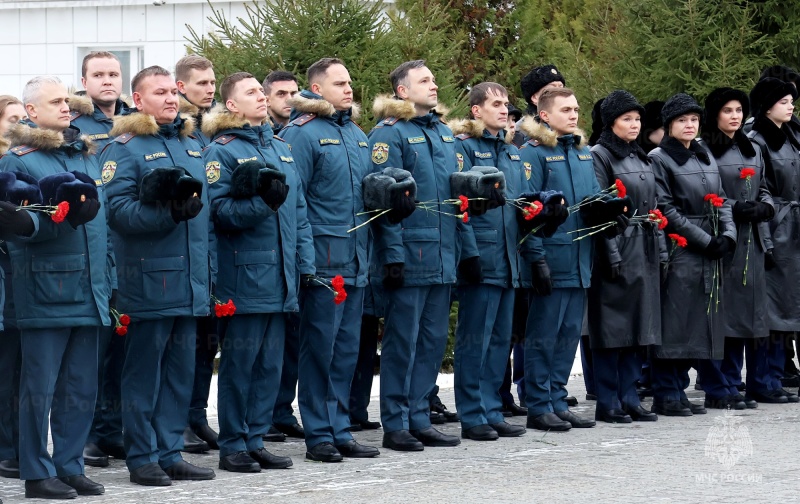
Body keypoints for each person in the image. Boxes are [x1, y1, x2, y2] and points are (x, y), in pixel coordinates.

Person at [100, 65, 214, 485]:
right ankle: (142, 456)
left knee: (180, 373)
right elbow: (117, 212)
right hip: (149, 281)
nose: (170, 99)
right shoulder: (124, 148)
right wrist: (167, 213)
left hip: (190, 282)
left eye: (172, 92)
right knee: (143, 375)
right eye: (160, 92)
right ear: (138, 98)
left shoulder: (191, 143)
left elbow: (207, 219)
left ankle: (170, 452)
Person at [0, 76, 109, 499]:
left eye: (67, 100)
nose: (67, 107)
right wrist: (54, 219)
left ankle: (70, 465)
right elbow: (17, 226)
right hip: (45, 290)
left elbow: (102, 229)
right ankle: (35, 471)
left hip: (89, 288)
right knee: (38, 388)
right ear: (31, 111)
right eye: (56, 101)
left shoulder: (86, 156)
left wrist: (110, 277)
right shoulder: (19, 161)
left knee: (80, 386)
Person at [202, 72, 313, 472]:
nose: (262, 97)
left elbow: (299, 215)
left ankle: (256, 438)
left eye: (260, 92)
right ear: (231, 105)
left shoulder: (282, 148)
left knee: (270, 364)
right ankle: (233, 444)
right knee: (240, 364)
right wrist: (262, 205)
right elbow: (218, 213)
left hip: (281, 275)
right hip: (244, 276)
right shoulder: (223, 151)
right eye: (251, 93)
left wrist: (306, 264)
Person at [367, 60, 469, 451]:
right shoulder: (389, 135)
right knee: (402, 341)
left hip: (442, 254)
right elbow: (383, 200)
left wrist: (466, 249)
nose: (434, 84)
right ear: (402, 91)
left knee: (431, 340)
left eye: (434, 78)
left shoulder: (445, 133)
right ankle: (395, 423)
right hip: (409, 256)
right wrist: (392, 255)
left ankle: (420, 416)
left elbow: (455, 198)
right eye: (424, 80)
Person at [280, 58, 378, 462]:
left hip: (355, 260)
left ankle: (340, 428)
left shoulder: (356, 132)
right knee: (319, 348)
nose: (349, 89)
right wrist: (305, 263)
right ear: (317, 90)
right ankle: (319, 433)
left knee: (346, 350)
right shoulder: (302, 134)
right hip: (323, 261)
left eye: (350, 82)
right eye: (340, 83)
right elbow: (293, 202)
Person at [518, 87, 625, 431]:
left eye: (576, 109)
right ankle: (538, 404)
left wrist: (611, 213)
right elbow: (528, 211)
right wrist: (537, 260)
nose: (574, 115)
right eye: (565, 109)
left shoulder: (581, 152)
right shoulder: (533, 154)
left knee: (566, 336)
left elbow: (592, 200)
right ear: (545, 115)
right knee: (543, 336)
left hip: (580, 260)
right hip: (552, 258)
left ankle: (557, 399)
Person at [649, 93, 736, 416]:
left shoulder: (704, 154)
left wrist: (728, 234)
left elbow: (723, 198)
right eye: (682, 120)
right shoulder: (659, 158)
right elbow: (665, 207)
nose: (689, 125)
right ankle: (666, 390)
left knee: (700, 318)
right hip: (681, 246)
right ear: (670, 125)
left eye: (694, 120)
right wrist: (703, 239)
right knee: (676, 318)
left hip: (710, 246)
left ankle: (681, 389)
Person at [449, 82, 527, 440]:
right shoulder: (463, 148)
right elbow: (459, 206)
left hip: (508, 256)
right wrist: (469, 254)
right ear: (476, 110)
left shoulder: (510, 152)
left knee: (499, 340)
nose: (503, 109)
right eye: (495, 104)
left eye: (506, 104)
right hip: (481, 254)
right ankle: (471, 412)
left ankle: (492, 407)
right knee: (474, 339)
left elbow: (517, 204)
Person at [69, 51, 131, 469]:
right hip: (96, 246)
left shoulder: (131, 122)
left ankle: (113, 428)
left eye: (114, 74)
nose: (108, 81)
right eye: (99, 75)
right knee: (95, 351)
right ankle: (90, 434)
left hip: (133, 251)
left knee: (122, 350)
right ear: (85, 81)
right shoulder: (77, 127)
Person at [588, 90, 661, 423]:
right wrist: (611, 253)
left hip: (643, 246)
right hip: (617, 244)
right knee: (612, 327)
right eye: (627, 119)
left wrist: (660, 250)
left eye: (637, 119)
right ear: (611, 122)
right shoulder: (600, 155)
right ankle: (608, 399)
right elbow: (600, 208)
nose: (635, 125)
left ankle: (630, 396)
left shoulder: (641, 156)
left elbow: (655, 208)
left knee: (639, 324)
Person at [699, 87, 773, 409]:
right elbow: (702, 190)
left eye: (739, 110)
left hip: (752, 241)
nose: (735, 116)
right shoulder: (705, 150)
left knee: (747, 316)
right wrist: (732, 207)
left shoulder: (753, 148)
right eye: (727, 110)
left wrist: (764, 208)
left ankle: (737, 382)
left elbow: (766, 188)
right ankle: (720, 385)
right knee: (722, 315)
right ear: (715, 114)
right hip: (724, 238)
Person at [175, 54, 220, 453]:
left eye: (212, 83)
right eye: (201, 83)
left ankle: (197, 415)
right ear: (181, 87)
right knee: (187, 345)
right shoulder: (183, 133)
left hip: (211, 253)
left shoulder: (213, 130)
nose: (209, 89)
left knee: (208, 342)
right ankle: (180, 422)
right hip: (185, 252)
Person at [747, 77, 800, 403]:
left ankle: (777, 376)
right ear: (767, 106)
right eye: (784, 101)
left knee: (790, 308)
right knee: (772, 310)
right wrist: (767, 240)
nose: (791, 105)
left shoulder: (793, 136)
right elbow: (760, 191)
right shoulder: (757, 140)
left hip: (794, 228)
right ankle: (764, 380)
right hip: (776, 227)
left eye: (792, 101)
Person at [0, 95, 25, 482]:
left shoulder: (25, 162)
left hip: (26, 275)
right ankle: (6, 448)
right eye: (14, 119)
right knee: (6, 367)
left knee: (22, 368)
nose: (22, 125)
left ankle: (22, 444)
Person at [514, 64, 566, 147]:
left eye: (561, 87)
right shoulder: (519, 132)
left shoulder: (569, 127)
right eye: (552, 89)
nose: (559, 93)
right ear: (534, 97)